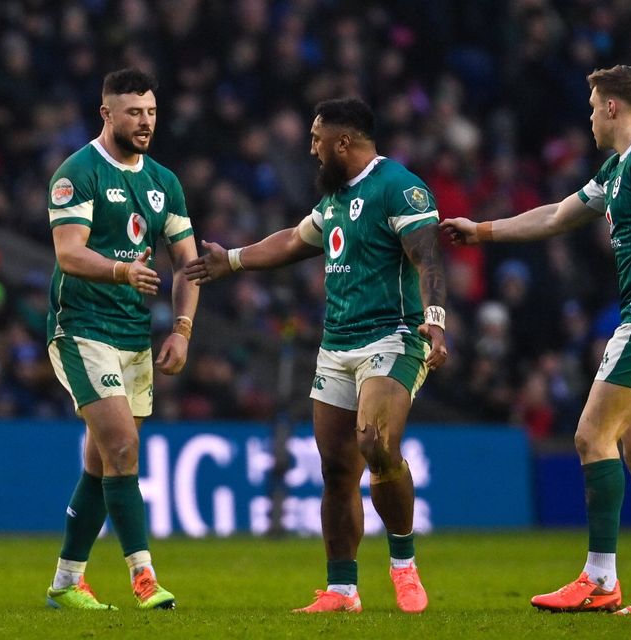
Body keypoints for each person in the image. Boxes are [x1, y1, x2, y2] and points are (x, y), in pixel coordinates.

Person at [442, 65, 631, 616]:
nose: (588, 117)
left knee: (591, 436)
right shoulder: (617, 169)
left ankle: (600, 578)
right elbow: (557, 216)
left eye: (592, 106)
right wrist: (482, 230)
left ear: (612, 106)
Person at [185, 97, 448, 614]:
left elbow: (427, 255)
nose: (310, 148)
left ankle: (403, 565)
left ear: (342, 143)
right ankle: (342, 590)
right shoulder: (332, 201)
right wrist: (233, 260)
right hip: (337, 344)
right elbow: (291, 240)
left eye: (316, 139)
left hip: (393, 335)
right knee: (336, 469)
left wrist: (435, 320)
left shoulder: (400, 187)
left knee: (375, 443)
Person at [43, 67, 200, 610]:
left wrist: (182, 328)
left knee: (101, 462)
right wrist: (120, 271)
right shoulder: (77, 172)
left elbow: (188, 264)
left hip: (135, 335)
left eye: (152, 112)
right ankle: (144, 576)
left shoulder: (165, 182)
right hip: (82, 328)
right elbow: (69, 251)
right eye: (134, 112)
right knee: (123, 447)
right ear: (105, 113)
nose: (146, 121)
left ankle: (66, 582)